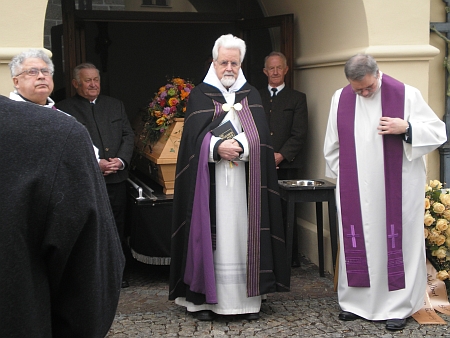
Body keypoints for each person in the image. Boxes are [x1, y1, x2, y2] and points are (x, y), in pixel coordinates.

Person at [169, 34, 290, 321]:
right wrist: (214, 146)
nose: (229, 68)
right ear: (214, 62)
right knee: (211, 237)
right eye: (224, 62)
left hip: (245, 186)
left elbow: (261, 138)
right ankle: (203, 302)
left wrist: (244, 148)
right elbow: (190, 142)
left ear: (241, 64)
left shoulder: (252, 95)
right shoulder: (200, 94)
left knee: (243, 236)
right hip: (209, 186)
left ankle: (245, 303)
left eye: (234, 63)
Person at [323, 54, 447, 330]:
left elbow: (438, 132)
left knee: (395, 243)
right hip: (356, 190)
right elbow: (332, 146)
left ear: (378, 74)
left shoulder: (406, 95)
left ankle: (398, 306)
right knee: (360, 242)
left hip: (397, 190)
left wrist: (407, 128)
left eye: (368, 87)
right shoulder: (340, 99)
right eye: (358, 89)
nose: (364, 93)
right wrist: (346, 180)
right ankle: (355, 303)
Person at [0, 95, 125, 337]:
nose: (41, 78)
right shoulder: (56, 132)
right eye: (32, 72)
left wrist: (120, 160)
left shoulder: (59, 129)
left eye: (45, 72)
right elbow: (90, 291)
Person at [57, 63, 134, 288]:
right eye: (87, 80)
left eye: (96, 80)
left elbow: (128, 135)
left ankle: (118, 273)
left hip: (116, 179)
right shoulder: (64, 109)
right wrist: (95, 164)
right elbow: (65, 144)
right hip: (85, 181)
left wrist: (120, 161)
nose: (93, 84)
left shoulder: (115, 105)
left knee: (117, 228)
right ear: (75, 84)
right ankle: (92, 277)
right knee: (90, 230)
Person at [259, 51, 308, 267]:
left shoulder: (297, 98)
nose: (276, 71)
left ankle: (289, 259)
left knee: (285, 213)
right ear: (265, 71)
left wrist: (279, 156)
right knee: (261, 211)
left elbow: (300, 133)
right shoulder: (255, 97)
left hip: (286, 165)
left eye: (279, 67)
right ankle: (263, 257)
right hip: (259, 163)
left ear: (286, 70)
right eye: (271, 68)